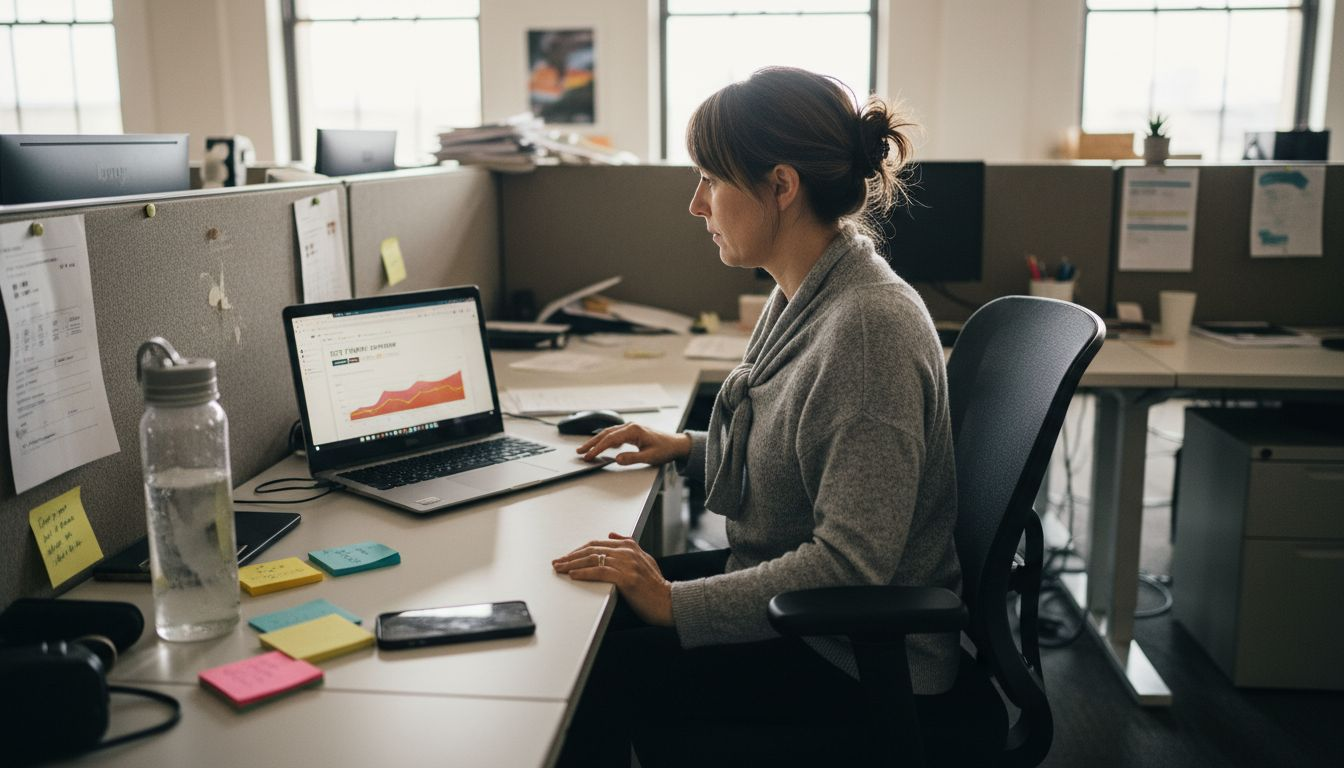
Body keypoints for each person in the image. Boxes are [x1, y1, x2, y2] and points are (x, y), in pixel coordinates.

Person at [550, 66, 961, 765]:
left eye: (710, 179)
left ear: (780, 186)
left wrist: (679, 606)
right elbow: (806, 453)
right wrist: (688, 445)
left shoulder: (866, 328)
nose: (696, 205)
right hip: (811, 621)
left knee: (594, 673)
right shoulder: (811, 289)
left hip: (856, 661)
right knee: (591, 618)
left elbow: (852, 566)